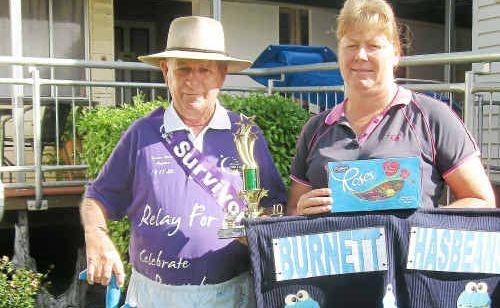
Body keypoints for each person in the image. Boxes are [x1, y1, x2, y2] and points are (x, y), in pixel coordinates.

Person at [80, 16, 286, 307]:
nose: (193, 81)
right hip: (153, 297)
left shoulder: (245, 133)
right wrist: (97, 237)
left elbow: (273, 206)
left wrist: (260, 230)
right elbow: (96, 198)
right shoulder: (141, 134)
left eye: (204, 70)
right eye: (183, 69)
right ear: (166, 72)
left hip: (232, 295)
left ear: (222, 75)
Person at [287, 0, 495, 216]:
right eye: (351, 45)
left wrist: (426, 222)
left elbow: (481, 200)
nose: (360, 55)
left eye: (373, 46)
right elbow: (293, 209)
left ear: (396, 53)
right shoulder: (315, 129)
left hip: (408, 249)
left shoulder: (433, 117)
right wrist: (301, 212)